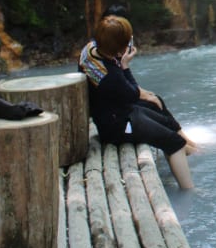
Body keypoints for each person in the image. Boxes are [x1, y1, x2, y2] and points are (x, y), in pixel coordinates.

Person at [79, 13, 195, 189]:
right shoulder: (111, 76)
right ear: (121, 49)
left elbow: (128, 93)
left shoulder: (89, 50)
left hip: (112, 113)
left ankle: (189, 147)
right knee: (174, 143)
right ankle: (189, 189)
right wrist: (125, 66)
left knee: (159, 110)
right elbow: (133, 93)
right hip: (118, 127)